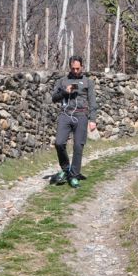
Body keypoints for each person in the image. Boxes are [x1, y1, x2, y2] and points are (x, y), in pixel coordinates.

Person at [51, 55, 97, 188]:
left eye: (78, 68)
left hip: (81, 115)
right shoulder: (62, 81)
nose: (76, 71)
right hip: (65, 114)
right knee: (59, 143)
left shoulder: (88, 82)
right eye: (73, 69)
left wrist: (92, 119)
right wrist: (65, 92)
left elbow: (92, 102)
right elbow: (54, 98)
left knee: (78, 146)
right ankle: (66, 169)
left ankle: (74, 175)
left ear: (82, 67)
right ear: (69, 67)